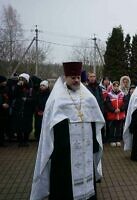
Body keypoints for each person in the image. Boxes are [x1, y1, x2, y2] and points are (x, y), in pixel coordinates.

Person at [30, 62, 105, 200]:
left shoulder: (88, 97)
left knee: (87, 177)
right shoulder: (57, 99)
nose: (76, 80)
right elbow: (51, 126)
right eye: (72, 77)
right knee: (65, 184)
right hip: (64, 152)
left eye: (78, 77)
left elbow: (95, 120)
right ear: (65, 77)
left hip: (86, 150)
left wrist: (94, 143)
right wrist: (62, 145)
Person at [12, 73, 35, 147]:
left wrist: (27, 100)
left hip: (27, 109)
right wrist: (18, 86)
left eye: (23, 79)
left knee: (27, 126)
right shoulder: (18, 86)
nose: (21, 80)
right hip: (18, 109)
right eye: (20, 78)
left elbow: (34, 99)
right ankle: (20, 141)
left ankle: (25, 140)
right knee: (19, 126)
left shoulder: (31, 88)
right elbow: (13, 95)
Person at [105, 81, 127, 147]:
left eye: (117, 86)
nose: (116, 87)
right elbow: (108, 104)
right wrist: (114, 110)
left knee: (119, 128)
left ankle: (118, 140)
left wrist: (121, 109)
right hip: (112, 114)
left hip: (120, 114)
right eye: (115, 86)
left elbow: (125, 103)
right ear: (112, 87)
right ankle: (112, 140)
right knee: (112, 128)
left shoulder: (122, 94)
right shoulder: (109, 95)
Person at [86, 72, 106, 143]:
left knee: (100, 128)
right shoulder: (86, 88)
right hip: (90, 112)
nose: (92, 78)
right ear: (88, 77)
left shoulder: (99, 88)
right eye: (91, 76)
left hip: (99, 111)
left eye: (94, 76)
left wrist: (102, 110)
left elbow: (101, 100)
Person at [0, 75, 10, 146]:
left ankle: (2, 141)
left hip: (5, 111)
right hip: (1, 109)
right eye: (4, 81)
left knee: (3, 127)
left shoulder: (6, 89)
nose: (5, 82)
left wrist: (7, 104)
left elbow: (9, 97)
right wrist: (2, 105)